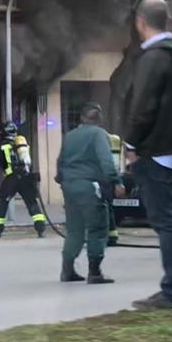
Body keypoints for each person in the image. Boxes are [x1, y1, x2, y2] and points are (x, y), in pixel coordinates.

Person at [124, 0, 172, 310]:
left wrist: (130, 144)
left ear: (141, 21)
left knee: (167, 222)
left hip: (156, 149)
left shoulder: (154, 59)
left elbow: (143, 108)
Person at [56, 102, 123, 284]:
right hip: (90, 186)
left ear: (82, 118)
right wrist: (116, 181)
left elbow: (60, 161)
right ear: (100, 118)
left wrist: (63, 180)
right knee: (98, 227)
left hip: (69, 186)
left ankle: (67, 271)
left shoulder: (69, 136)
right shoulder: (99, 135)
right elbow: (106, 161)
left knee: (75, 230)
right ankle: (94, 272)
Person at [0, 122, 47, 238]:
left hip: (12, 179)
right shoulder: (21, 144)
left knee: (2, 202)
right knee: (31, 202)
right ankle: (41, 228)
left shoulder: (1, 146)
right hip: (26, 177)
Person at [106, 132, 124, 246]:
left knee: (105, 207)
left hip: (103, 178)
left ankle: (109, 235)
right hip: (111, 178)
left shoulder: (101, 139)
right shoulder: (113, 140)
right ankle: (112, 236)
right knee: (108, 207)